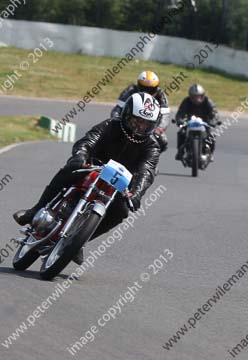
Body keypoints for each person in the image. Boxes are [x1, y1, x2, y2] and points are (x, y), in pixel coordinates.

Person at [12, 93, 160, 264]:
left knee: (122, 211)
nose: (140, 127)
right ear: (127, 115)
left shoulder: (151, 146)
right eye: (137, 121)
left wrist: (136, 193)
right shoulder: (110, 125)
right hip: (93, 166)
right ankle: (34, 211)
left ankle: (79, 243)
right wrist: (80, 156)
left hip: (119, 184)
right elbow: (87, 141)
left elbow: (146, 172)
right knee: (70, 170)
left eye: (146, 124)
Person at [111, 71, 170, 152]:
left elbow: (165, 115)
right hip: (129, 122)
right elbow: (117, 109)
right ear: (138, 85)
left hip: (149, 126)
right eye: (144, 89)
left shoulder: (161, 95)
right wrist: (117, 121)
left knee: (163, 141)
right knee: (110, 130)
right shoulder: (130, 90)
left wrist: (159, 129)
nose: (147, 92)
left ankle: (150, 156)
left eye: (151, 89)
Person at [174, 84, 220, 160]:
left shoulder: (207, 101)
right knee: (181, 133)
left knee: (211, 136)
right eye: (194, 97)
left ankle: (210, 153)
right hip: (190, 123)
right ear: (190, 96)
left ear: (202, 96)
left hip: (204, 124)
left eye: (199, 96)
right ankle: (180, 152)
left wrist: (213, 121)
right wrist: (180, 120)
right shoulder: (186, 101)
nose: (197, 99)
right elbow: (180, 113)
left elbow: (214, 112)